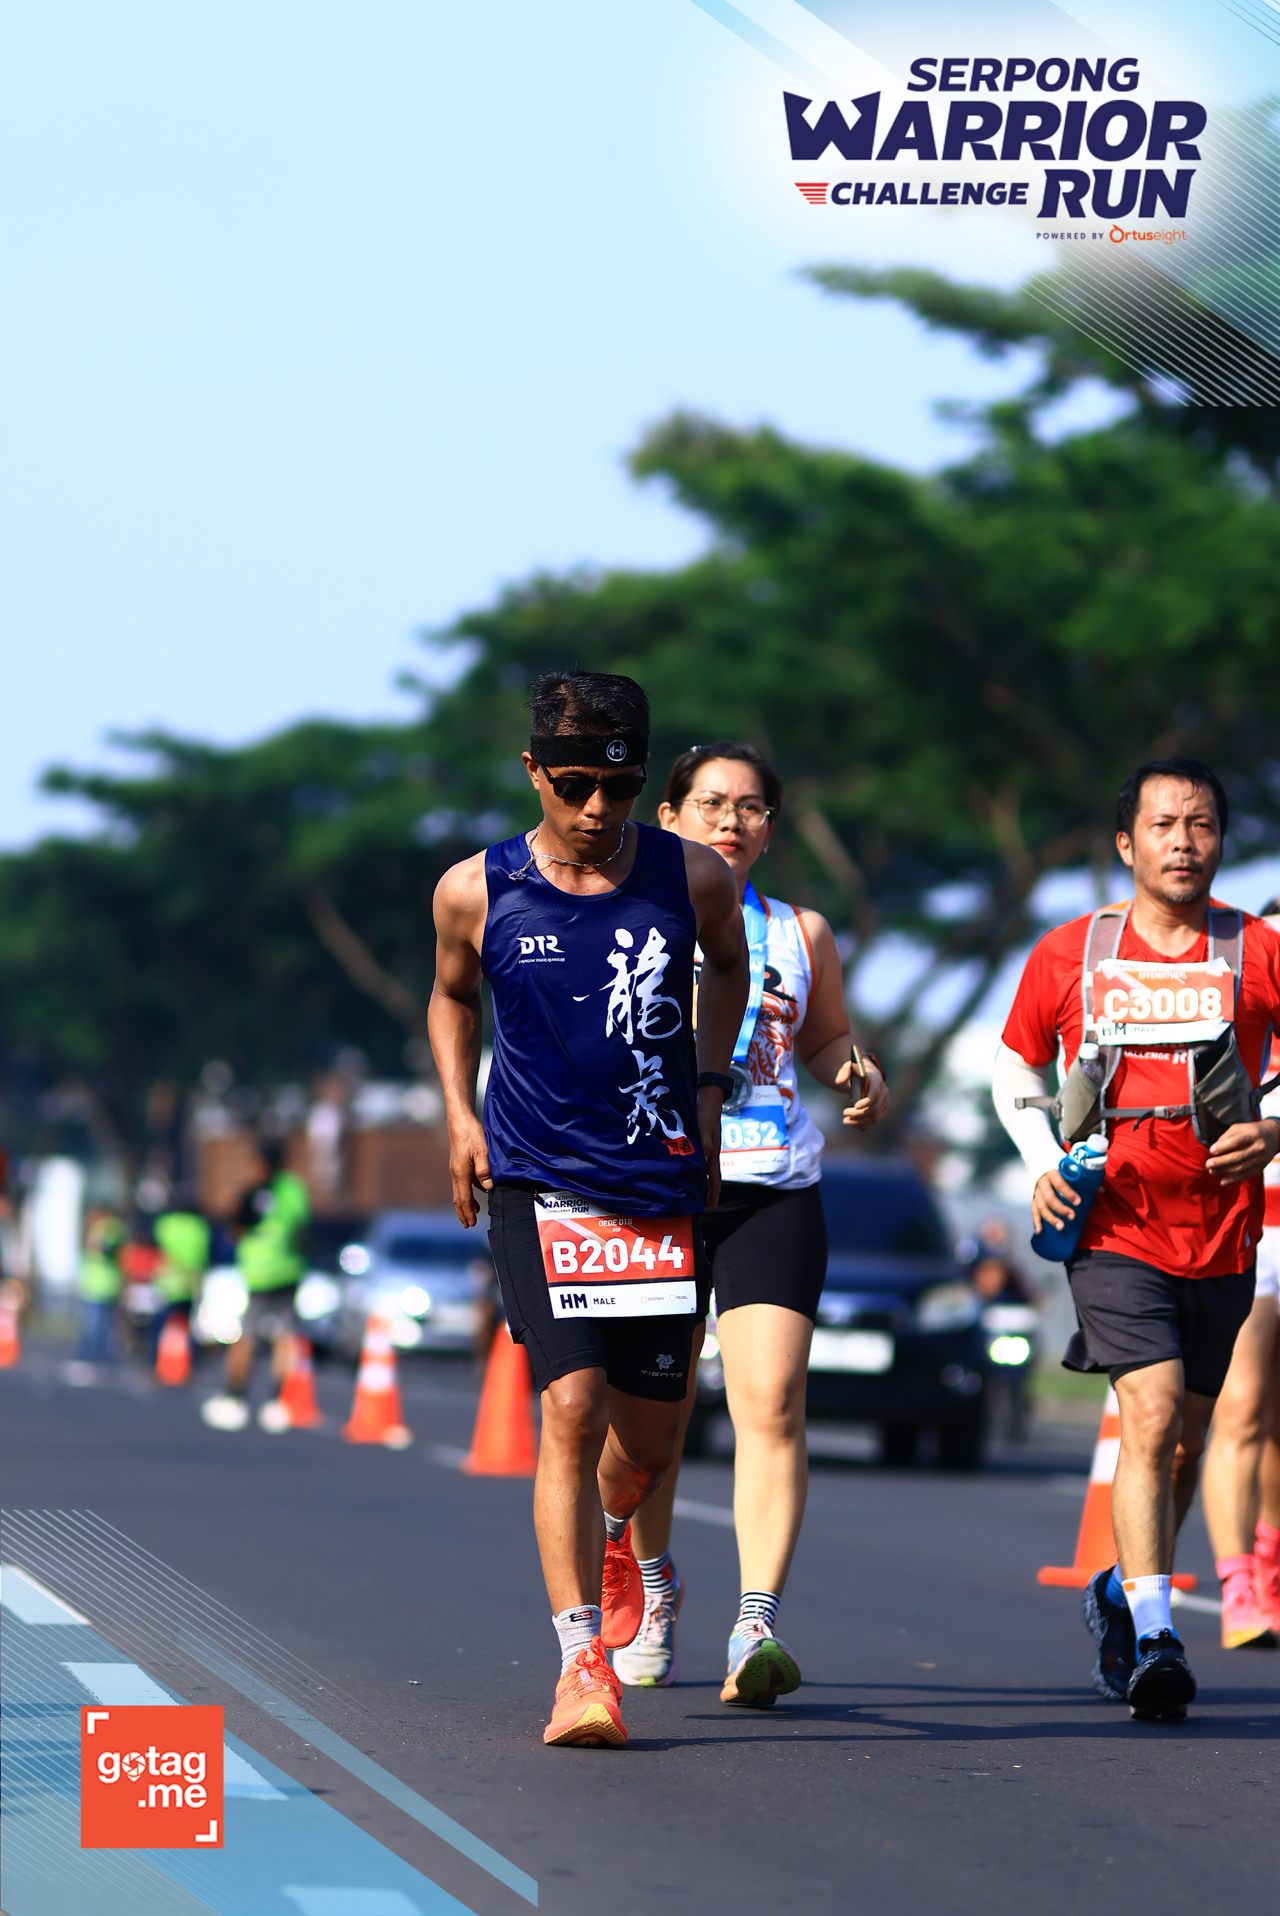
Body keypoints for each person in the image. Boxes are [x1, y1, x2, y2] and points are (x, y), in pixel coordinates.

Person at [429, 672, 748, 1749]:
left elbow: (728, 971)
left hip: (658, 1183)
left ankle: (620, 1533)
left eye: (619, 786)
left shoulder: (691, 875)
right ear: (533, 772)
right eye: (573, 786)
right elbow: (450, 996)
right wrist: (458, 1116)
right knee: (568, 1406)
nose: (597, 810)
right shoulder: (475, 890)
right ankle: (580, 1663)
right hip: (538, 1180)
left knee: (648, 1441)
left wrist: (709, 1091)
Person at [994, 758, 1280, 1721]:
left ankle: (1122, 1590)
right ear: (1127, 844)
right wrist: (1043, 1159)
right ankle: (1158, 1637)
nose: (1183, 842)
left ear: (1221, 841)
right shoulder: (1072, 952)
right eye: (1164, 825)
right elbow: (1014, 1066)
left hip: (1225, 1232)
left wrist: (1274, 1130)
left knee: (1186, 1444)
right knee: (1150, 1417)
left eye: (1201, 824)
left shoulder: (1257, 950)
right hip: (1113, 1224)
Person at [613, 740, 888, 1702]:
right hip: (654, 1190)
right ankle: (653, 1589)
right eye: (712, 803)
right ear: (669, 817)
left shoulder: (801, 931)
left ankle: (755, 1627)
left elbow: (825, 1035)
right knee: (652, 1421)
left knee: (770, 1405)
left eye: (753, 808)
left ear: (771, 828)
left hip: (771, 1187)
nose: (732, 821)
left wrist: (854, 1069)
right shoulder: (625, 920)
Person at [1199, 899, 1280, 1646]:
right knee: (1245, 1407)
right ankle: (1238, 1585)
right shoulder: (1232, 1008)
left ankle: (1271, 1564)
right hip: (1257, 1231)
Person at [201, 1138, 310, 1431]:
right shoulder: (293, 1189)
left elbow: (235, 1230)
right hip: (288, 1270)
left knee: (246, 1335)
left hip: (257, 1274)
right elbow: (302, 1228)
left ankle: (234, 1396)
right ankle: (277, 1399)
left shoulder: (251, 1191)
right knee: (284, 1336)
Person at [153, 1202, 211, 1366]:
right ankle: (190, 1363)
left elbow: (158, 1250)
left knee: (161, 1327)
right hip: (189, 1283)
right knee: (188, 1326)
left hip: (167, 1283)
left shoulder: (165, 1224)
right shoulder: (198, 1226)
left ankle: (157, 1363)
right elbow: (202, 1256)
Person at [71, 1209, 127, 1374]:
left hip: (99, 1286)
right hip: (102, 1285)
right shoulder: (115, 1228)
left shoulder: (106, 1229)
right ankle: (100, 1358)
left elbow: (105, 1251)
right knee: (102, 1324)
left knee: (96, 1326)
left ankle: (94, 1357)